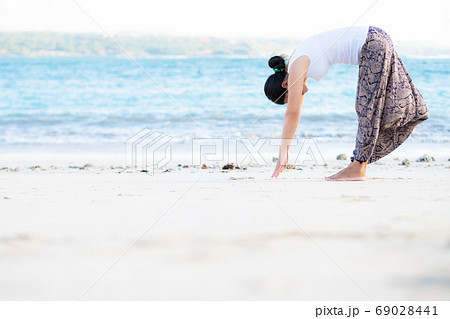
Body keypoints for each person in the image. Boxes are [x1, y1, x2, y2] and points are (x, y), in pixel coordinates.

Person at [264, 26, 429, 181]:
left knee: (367, 107)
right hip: (377, 37)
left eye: (289, 97)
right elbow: (297, 111)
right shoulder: (297, 61)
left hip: (372, 44)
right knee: (381, 103)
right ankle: (360, 164)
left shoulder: (295, 67)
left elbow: (292, 113)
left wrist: (283, 153)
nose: (296, 96)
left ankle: (358, 167)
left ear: (285, 85)